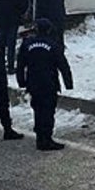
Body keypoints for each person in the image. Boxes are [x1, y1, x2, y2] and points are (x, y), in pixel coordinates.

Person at [16, 19, 73, 151]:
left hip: (33, 82)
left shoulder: (27, 44)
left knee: (38, 110)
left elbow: (20, 65)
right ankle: (46, 140)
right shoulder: (53, 44)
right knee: (48, 111)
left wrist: (21, 81)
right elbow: (63, 65)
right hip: (49, 83)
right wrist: (68, 83)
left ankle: (40, 137)